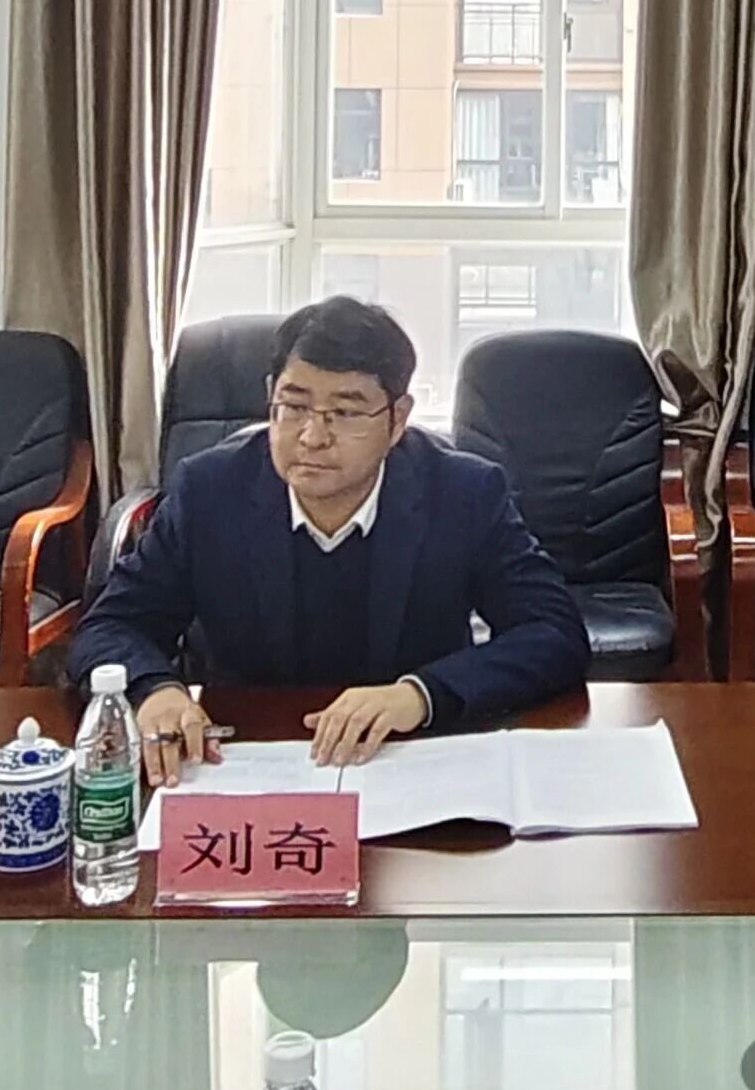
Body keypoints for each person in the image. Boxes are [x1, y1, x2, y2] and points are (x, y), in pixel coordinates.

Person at [66, 297, 586, 784]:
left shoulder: (462, 493)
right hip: (245, 758)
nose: (312, 437)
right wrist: (153, 690)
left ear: (397, 419)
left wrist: (421, 695)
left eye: (346, 412)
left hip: (407, 758)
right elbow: (112, 625)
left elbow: (553, 632)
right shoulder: (210, 491)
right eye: (293, 406)